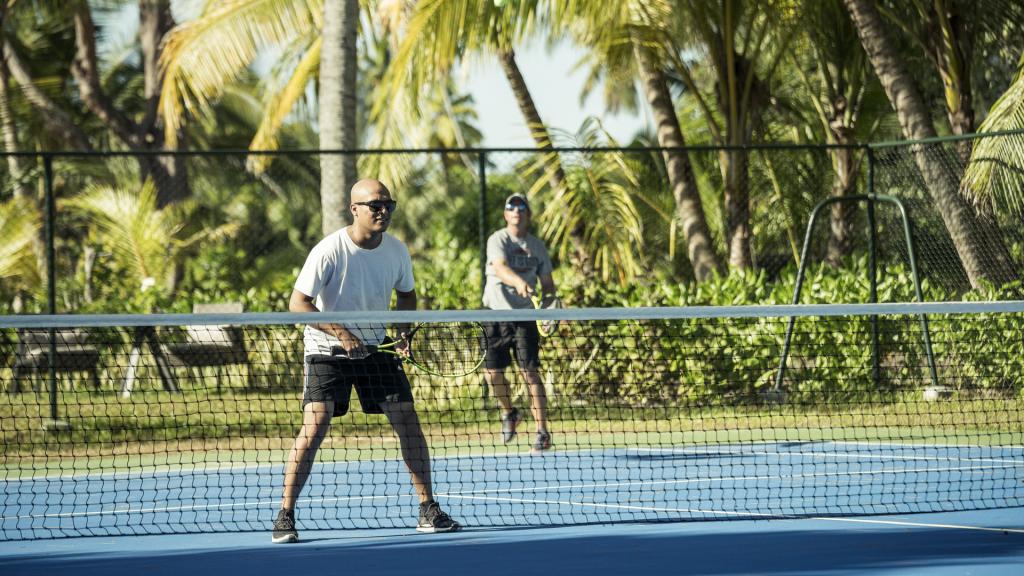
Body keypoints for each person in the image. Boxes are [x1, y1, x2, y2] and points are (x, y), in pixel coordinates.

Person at [272, 179, 460, 543]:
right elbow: (299, 304)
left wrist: (403, 332)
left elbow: (407, 296)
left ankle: (428, 509)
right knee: (316, 425)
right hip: (327, 350)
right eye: (374, 205)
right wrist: (342, 334)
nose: (383, 211)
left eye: (388, 204)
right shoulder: (329, 250)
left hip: (376, 348)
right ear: (354, 209)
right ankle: (285, 513)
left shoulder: (397, 251)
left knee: (407, 420)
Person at [482, 193, 557, 452]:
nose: (516, 210)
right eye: (510, 207)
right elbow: (500, 267)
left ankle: (542, 432)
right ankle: (510, 413)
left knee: (531, 373)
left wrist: (550, 307)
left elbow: (547, 285)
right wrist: (517, 281)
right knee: (493, 375)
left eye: (521, 206)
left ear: (528, 214)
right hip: (495, 314)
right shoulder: (497, 239)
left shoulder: (537, 246)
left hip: (526, 318)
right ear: (506, 214)